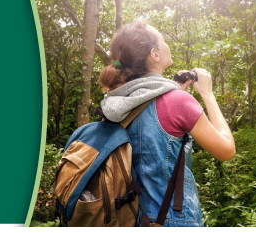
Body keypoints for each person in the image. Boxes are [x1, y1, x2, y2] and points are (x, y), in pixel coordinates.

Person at [96, 19, 235, 227]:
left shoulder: (115, 103)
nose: (166, 43)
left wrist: (176, 91)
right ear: (155, 54)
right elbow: (227, 150)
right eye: (162, 39)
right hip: (173, 220)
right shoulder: (177, 101)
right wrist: (208, 94)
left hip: (129, 218)